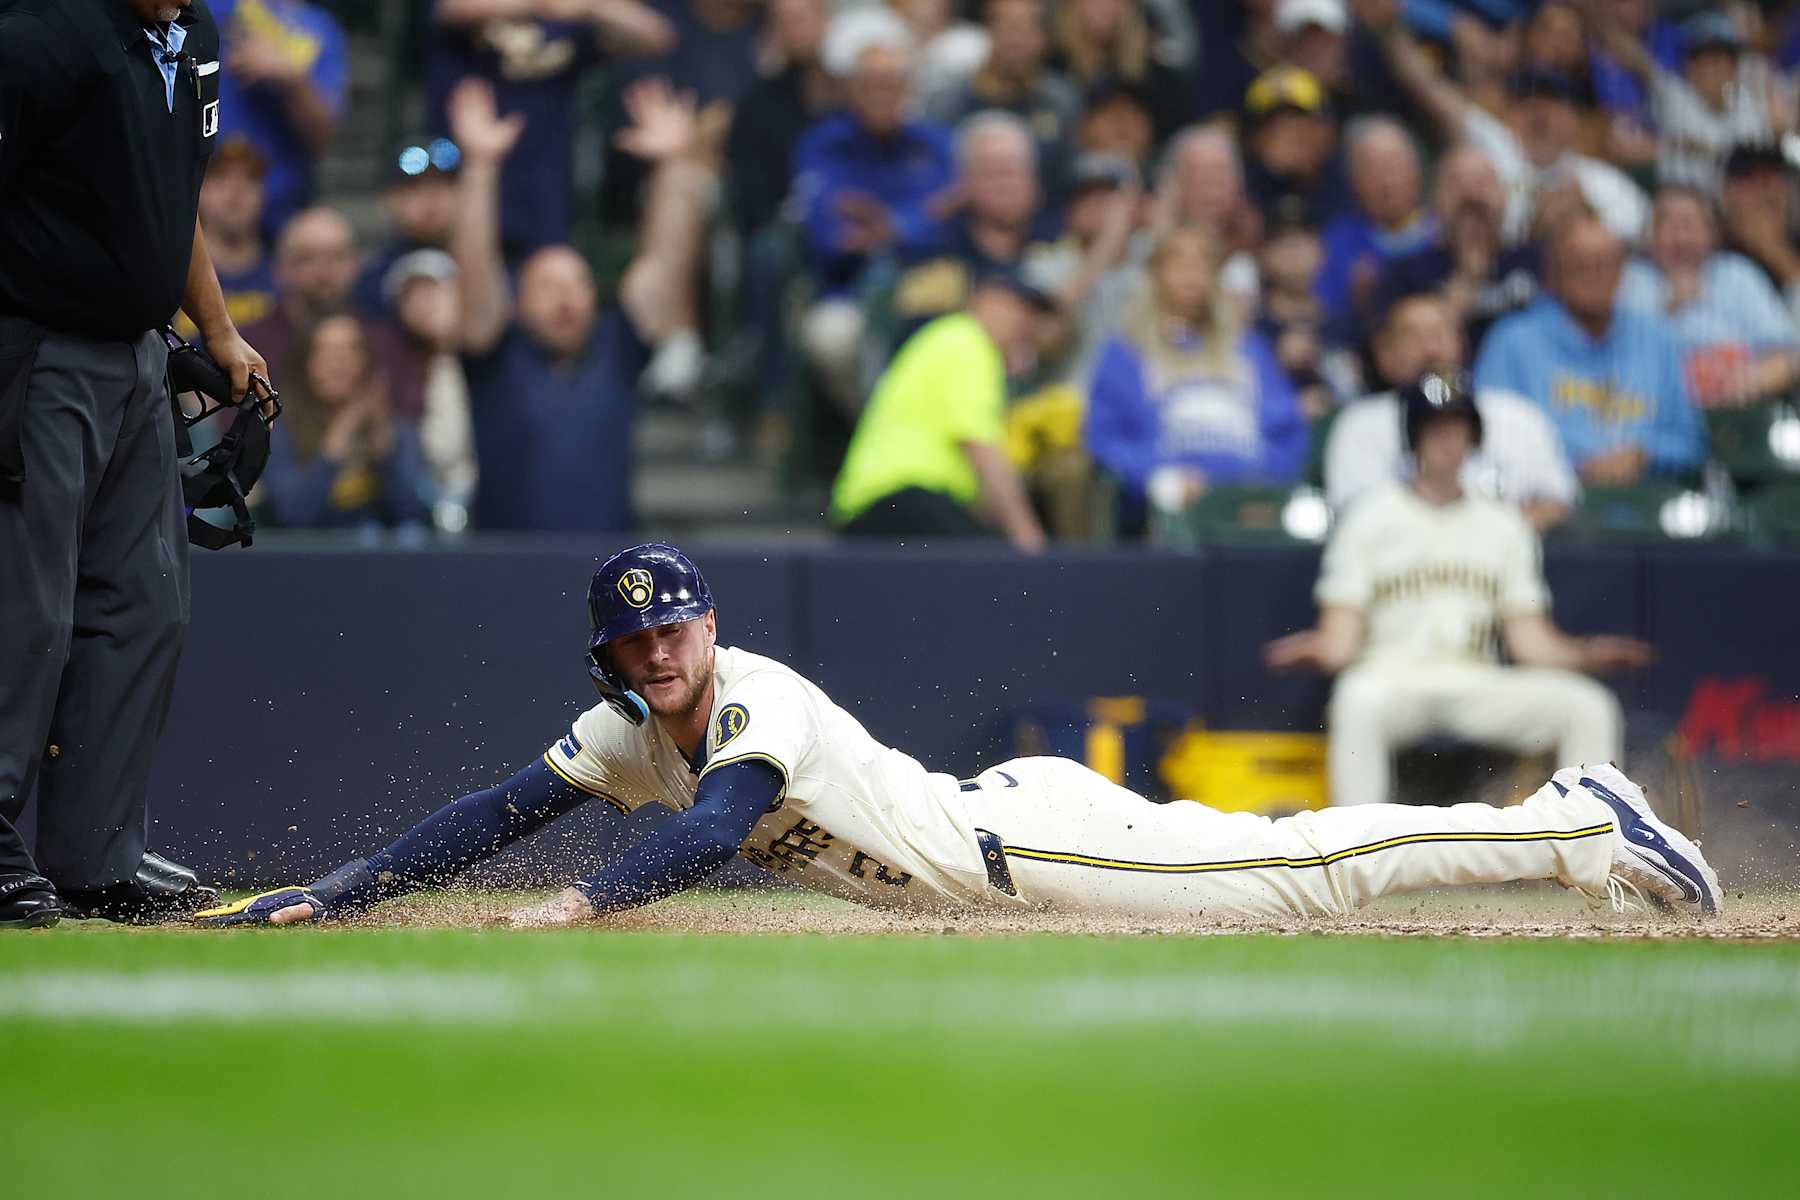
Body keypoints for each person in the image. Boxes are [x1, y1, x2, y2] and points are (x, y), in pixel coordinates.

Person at [194, 542, 1722, 932]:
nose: (662, 653)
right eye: (638, 640)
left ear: (709, 628)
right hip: (995, 829)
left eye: (678, 628)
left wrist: (593, 901)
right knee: (1285, 870)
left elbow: (717, 831)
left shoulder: (750, 701)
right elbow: (489, 812)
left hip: (1019, 843)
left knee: (1299, 876)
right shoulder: (622, 726)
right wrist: (339, 890)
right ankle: (1574, 820)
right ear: (611, 653)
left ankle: (1581, 823)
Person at [1, 0, 267, 927]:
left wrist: (219, 328)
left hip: (136, 354)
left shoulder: (190, 38)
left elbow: (172, 195)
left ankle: (94, 853)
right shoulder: (40, 30)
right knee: (25, 599)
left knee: (144, 602)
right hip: (36, 351)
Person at [1267, 374, 1657, 812]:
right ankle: (1355, 858)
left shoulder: (1504, 523)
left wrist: (1587, 654)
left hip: (1476, 678)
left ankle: (1591, 846)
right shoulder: (1369, 517)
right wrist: (1316, 649)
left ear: (1474, 437)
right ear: (1413, 438)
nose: (1448, 440)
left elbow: (1529, 640)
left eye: (1457, 428)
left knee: (1588, 706)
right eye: (1435, 429)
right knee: (1356, 699)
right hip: (1393, 676)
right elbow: (1341, 639)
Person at [450, 75, 709, 531]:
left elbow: (666, 265)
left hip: (609, 576)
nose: (566, 297)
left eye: (578, 284)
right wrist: (480, 165)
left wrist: (673, 166)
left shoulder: (616, 347)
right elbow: (474, 270)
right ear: (517, 301)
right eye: (548, 285)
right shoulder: (494, 353)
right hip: (500, 569)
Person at [1086, 225, 1307, 529]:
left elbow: (1287, 433)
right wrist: (1158, 476)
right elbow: (1105, 440)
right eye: (1178, 262)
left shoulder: (1247, 349)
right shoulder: (1125, 352)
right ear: (1155, 273)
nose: (1191, 273)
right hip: (1164, 504)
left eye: (1203, 263)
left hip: (1249, 498)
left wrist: (1264, 476)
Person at [794, 7, 956, 414]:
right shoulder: (823, 145)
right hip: (848, 291)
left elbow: (953, 221)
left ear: (908, 89)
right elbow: (827, 235)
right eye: (871, 84)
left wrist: (892, 225)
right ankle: (878, 429)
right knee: (831, 337)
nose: (882, 93)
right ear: (851, 89)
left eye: (892, 83)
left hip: (928, 285)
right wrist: (916, 218)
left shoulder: (934, 146)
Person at [426, 0, 675, 255]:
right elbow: (455, 9)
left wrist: (590, 7)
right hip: (462, 176)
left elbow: (656, 36)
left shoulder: (568, 18)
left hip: (545, 187)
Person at [1474, 215, 1705, 487]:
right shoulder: (1511, 342)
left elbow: (1690, 441)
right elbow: (1488, 438)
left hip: (1647, 500)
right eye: (1580, 265)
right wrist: (1577, 463)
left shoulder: (1657, 340)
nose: (1595, 275)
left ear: (1622, 272)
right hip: (1551, 504)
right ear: (1554, 273)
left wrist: (1644, 454)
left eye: (1605, 264)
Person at [1376, 20, 1649, 243]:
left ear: (1574, 120)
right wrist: (1385, 26)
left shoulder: (1600, 181)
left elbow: (1639, 233)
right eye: (1528, 106)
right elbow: (1429, 88)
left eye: (1553, 107)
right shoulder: (1495, 147)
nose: (1540, 117)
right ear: (1508, 115)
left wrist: (1586, 214)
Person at [829, 272, 1049, 549]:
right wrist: (1029, 538)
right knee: (993, 570)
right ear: (985, 301)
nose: (1025, 323)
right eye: (1018, 308)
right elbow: (982, 450)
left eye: (1031, 314)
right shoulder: (966, 341)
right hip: (894, 500)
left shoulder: (952, 339)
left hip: (885, 508)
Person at [1324, 290, 1578, 529]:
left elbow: (1555, 500)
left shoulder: (1516, 414)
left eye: (1440, 333)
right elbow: (1358, 516)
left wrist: (1490, 541)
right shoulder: (1361, 424)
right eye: (1413, 336)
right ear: (1385, 353)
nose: (1430, 349)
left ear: (1462, 343)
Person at [1618, 185, 1800, 410]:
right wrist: (1669, 307)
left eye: (1689, 224)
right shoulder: (1631, 279)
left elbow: (1785, 354)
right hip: (1657, 411)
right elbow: (1614, 360)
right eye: (1668, 225)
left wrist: (1757, 379)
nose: (1680, 236)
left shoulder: (1738, 273)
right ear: (1649, 236)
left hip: (1740, 409)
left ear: (1712, 233)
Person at [258, 312, 433, 536]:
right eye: (325, 351)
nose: (337, 362)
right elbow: (292, 515)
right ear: (306, 363)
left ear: (365, 362)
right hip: (311, 556)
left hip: (381, 557)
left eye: (349, 350)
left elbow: (412, 515)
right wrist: (342, 431)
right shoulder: (280, 432)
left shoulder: (396, 430)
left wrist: (384, 444)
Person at [1364, 140, 1541, 352]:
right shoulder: (1404, 277)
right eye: (1457, 184)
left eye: (1482, 182)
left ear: (1505, 196)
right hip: (1447, 384)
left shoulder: (1537, 262)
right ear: (1434, 201)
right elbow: (1393, 362)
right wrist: (1457, 296)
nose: (1471, 195)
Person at [1592, 8, 1791, 194]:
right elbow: (1631, 55)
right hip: (1687, 202)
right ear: (1688, 68)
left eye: (1719, 60)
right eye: (1701, 60)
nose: (1711, 70)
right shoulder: (1674, 95)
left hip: (1742, 202)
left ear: (1734, 68)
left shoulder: (1751, 101)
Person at [207, 0, 349, 237]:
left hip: (281, 202)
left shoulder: (322, 28)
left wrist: (292, 79)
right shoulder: (214, 6)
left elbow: (321, 138)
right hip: (206, 195)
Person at [924, 0, 1081, 205]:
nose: (1018, 41)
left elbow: (1071, 177)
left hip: (1048, 225)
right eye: (1010, 27)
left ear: (1044, 38)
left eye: (1030, 29)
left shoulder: (1062, 101)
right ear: (989, 31)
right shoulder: (947, 105)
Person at [1314, 115, 1436, 337]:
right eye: (1372, 169)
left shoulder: (1445, 231)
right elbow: (1323, 318)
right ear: (1353, 181)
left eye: (1393, 165)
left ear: (1417, 168)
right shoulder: (1334, 244)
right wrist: (1356, 302)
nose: (1385, 182)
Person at [178, 135, 280, 339]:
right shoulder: (177, 275)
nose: (236, 190)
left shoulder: (284, 275)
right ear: (199, 189)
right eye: (220, 177)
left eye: (250, 178)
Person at [353, 135, 463, 319]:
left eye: (444, 184)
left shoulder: (491, 264)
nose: (432, 198)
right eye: (415, 187)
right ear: (389, 199)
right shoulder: (373, 280)